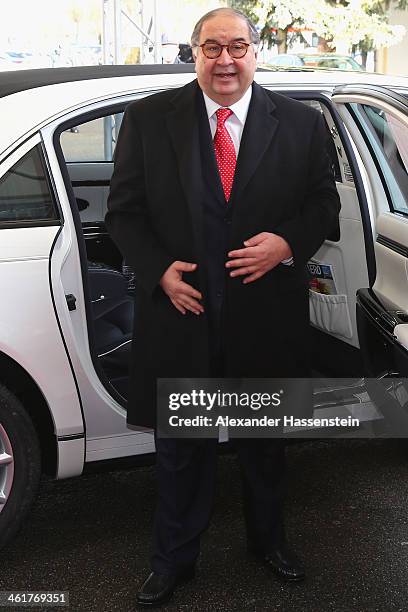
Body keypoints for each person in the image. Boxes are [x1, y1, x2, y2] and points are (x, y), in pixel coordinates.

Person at [105, 7, 340, 607]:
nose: (226, 60)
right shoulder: (149, 119)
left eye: (237, 46)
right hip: (182, 316)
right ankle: (173, 560)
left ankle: (269, 543)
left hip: (266, 320)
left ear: (255, 52)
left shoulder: (302, 124)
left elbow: (323, 208)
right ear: (195, 53)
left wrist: (287, 243)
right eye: (213, 48)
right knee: (183, 451)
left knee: (265, 445)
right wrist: (159, 271)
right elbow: (123, 215)